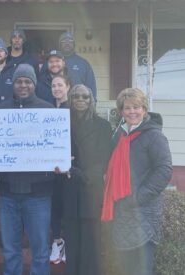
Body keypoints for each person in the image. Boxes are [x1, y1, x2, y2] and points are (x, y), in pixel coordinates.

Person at [101, 88, 173, 275]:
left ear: (144, 110)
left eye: (136, 107)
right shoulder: (120, 135)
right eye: (127, 108)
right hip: (123, 211)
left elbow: (164, 171)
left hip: (143, 212)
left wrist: (136, 198)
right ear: (121, 111)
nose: (132, 112)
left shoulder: (154, 136)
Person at [0, 64, 55, 275]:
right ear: (13, 84)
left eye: (27, 81)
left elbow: (55, 146)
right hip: (6, 193)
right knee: (11, 250)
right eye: (19, 81)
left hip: (38, 194)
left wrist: (60, 160)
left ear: (34, 84)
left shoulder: (48, 110)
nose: (23, 85)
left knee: (40, 250)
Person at [62, 84, 112, 275]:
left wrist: (83, 174)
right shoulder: (62, 124)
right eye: (76, 96)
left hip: (91, 190)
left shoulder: (103, 126)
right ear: (70, 99)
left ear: (92, 100)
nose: (81, 100)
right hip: (68, 189)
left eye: (85, 97)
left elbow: (104, 158)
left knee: (91, 247)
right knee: (72, 244)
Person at [48, 74, 72, 265]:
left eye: (60, 85)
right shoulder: (47, 108)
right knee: (54, 205)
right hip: (50, 166)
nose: (56, 88)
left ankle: (68, 245)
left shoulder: (73, 108)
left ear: (68, 87)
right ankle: (57, 241)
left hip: (69, 167)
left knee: (67, 205)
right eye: (54, 85)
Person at [58, 32, 98, 100]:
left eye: (70, 41)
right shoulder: (53, 63)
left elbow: (91, 87)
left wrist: (92, 104)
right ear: (60, 45)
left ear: (74, 44)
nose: (67, 43)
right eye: (64, 41)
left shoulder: (84, 63)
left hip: (78, 104)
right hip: (57, 106)